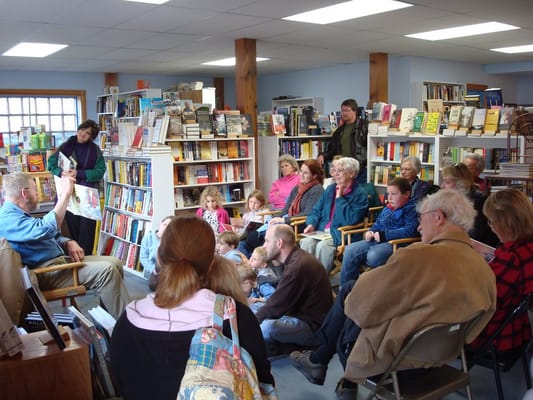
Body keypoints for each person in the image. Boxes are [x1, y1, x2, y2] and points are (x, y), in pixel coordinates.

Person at [289, 190, 497, 398]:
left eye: (421, 219)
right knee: (360, 293)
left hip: (397, 359)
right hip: (445, 356)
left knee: (351, 292)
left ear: (438, 217)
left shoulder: (418, 256)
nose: (418, 227)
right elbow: (479, 321)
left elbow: (360, 308)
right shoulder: (484, 266)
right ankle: (325, 365)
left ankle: (324, 363)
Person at [111, 215, 275, 400]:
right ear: (212, 263)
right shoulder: (237, 318)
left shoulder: (127, 321)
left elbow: (121, 384)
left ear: (159, 257)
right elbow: (263, 384)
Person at [0, 172, 129, 319]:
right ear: (24, 193)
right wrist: (65, 195)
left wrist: (68, 241)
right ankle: (129, 329)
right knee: (107, 271)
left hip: (58, 263)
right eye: (35, 190)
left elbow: (46, 234)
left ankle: (110, 320)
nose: (38, 194)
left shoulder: (15, 214)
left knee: (115, 262)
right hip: (46, 272)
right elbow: (44, 229)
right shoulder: (6, 218)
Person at [469, 189, 533, 352]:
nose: (490, 227)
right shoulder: (526, 247)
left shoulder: (510, 258)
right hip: (519, 329)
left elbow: (483, 299)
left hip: (496, 336)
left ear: (505, 223)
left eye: (491, 222)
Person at [255, 224, 333, 355]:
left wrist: (248, 326)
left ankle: (292, 347)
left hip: (312, 326)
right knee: (256, 308)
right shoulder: (296, 258)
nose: (264, 246)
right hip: (297, 314)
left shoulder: (297, 266)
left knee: (266, 327)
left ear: (279, 243)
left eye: (267, 241)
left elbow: (276, 306)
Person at [339, 177, 419, 285]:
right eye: (388, 194)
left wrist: (385, 235)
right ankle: (346, 290)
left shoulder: (412, 208)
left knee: (373, 255)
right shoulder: (388, 207)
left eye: (394, 194)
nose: (389, 198)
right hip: (379, 240)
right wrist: (371, 231)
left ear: (406, 194)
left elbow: (410, 230)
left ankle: (369, 285)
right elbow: (378, 223)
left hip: (398, 244)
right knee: (350, 250)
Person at [239, 159, 324, 257]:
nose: (301, 175)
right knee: (246, 241)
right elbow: (286, 208)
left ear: (315, 176)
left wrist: (283, 220)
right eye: (301, 171)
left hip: (300, 224)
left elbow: (308, 213)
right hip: (288, 221)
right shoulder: (298, 188)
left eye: (305, 173)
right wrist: (275, 219)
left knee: (254, 240)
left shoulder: (317, 190)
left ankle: (255, 262)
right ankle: (250, 263)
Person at [299, 157, 368, 272]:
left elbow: (351, 220)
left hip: (342, 234)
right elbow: (316, 210)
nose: (335, 174)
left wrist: (340, 198)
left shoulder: (360, 194)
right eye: (335, 170)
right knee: (306, 242)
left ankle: (320, 283)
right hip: (322, 231)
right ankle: (306, 280)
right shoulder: (330, 189)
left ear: (351, 173)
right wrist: (311, 223)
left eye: (340, 171)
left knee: (323, 246)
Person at [47, 119, 105, 254]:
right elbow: (51, 164)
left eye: (88, 133)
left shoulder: (95, 150)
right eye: (82, 130)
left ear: (91, 137)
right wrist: (62, 172)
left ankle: (86, 260)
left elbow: (100, 172)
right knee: (70, 228)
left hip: (86, 195)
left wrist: (79, 173)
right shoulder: (66, 146)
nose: (83, 134)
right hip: (68, 192)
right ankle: (73, 259)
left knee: (87, 230)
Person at [440, 163, 500, 247]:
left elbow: (473, 235)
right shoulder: (451, 201)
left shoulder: (480, 201)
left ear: (461, 183)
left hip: (478, 250)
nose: (442, 186)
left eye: (447, 182)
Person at [317, 99, 368, 185]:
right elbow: (332, 150)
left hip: (359, 169)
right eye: (342, 110)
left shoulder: (365, 126)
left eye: (347, 110)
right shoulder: (339, 131)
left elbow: (369, 147)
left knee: (358, 193)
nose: (344, 113)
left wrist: (364, 163)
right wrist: (322, 155)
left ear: (355, 111)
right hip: (343, 170)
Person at [139, 215, 173, 285]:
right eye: (164, 224)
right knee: (154, 285)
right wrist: (153, 270)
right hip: (154, 270)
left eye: (169, 227)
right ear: (161, 224)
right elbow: (143, 258)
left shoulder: (172, 240)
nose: (166, 228)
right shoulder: (148, 237)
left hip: (168, 270)